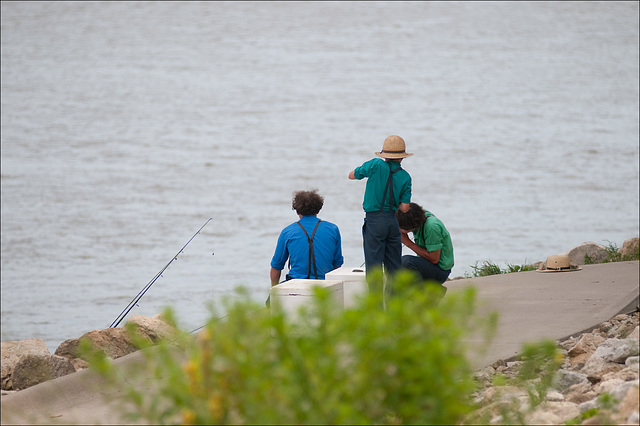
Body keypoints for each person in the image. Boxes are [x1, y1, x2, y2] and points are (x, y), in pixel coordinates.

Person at [348, 135, 413, 288]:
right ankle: (394, 306)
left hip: (374, 220)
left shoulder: (376, 165)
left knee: (374, 268)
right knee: (394, 268)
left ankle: (376, 307)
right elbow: (405, 208)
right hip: (392, 221)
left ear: (384, 154)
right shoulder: (405, 177)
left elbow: (352, 175)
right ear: (402, 157)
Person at [269, 190, 344, 304]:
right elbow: (337, 265)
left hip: (296, 284)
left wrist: (274, 291)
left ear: (297, 211)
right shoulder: (333, 229)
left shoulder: (287, 232)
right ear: (318, 209)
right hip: (324, 285)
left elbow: (276, 267)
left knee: (269, 304)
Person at [395, 202, 454, 290]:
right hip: (427, 264)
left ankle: (429, 294)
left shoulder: (431, 227)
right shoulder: (418, 216)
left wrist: (408, 242)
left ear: (410, 228)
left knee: (406, 262)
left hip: (440, 270)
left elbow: (434, 259)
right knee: (395, 265)